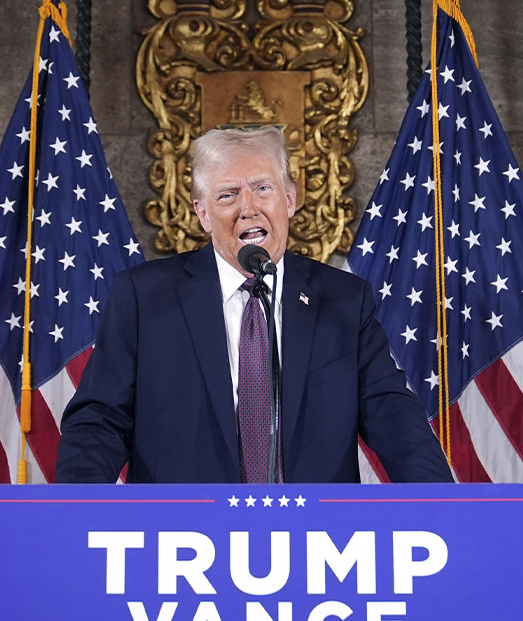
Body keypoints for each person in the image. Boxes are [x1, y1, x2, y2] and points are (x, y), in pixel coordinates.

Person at [58, 125, 452, 483]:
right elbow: (99, 421)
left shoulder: (344, 301)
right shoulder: (145, 298)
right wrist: (75, 515)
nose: (248, 207)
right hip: (180, 540)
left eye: (262, 188)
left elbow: (396, 419)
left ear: (290, 199)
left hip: (315, 540)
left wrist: (450, 512)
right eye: (227, 195)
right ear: (203, 214)